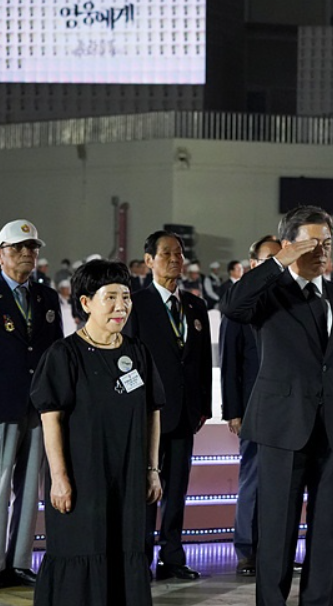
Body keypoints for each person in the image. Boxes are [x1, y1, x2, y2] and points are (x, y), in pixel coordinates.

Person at [220, 205, 333, 606]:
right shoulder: (269, 292)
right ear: (289, 246)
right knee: (276, 532)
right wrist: (278, 262)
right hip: (281, 428)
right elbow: (233, 305)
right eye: (311, 243)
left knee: (327, 535)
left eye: (327, 243)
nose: (322, 250)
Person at [30, 260, 165, 606]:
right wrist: (58, 479)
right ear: (86, 302)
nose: (121, 306)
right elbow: (50, 420)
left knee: (125, 551)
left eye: (126, 297)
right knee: (82, 550)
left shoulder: (138, 353)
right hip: (82, 479)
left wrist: (151, 470)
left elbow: (153, 412)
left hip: (128, 478)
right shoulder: (64, 355)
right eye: (111, 298)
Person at [124, 230, 212, 580]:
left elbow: (202, 360)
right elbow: (128, 359)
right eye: (166, 254)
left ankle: (172, 556)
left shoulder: (195, 305)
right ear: (148, 261)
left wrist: (203, 404)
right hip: (149, 414)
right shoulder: (137, 304)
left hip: (185, 413)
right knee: (146, 489)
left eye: (178, 253)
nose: (175, 259)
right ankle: (140, 558)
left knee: (178, 490)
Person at [0, 219, 63, 587]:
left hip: (38, 407)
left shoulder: (47, 297)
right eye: (18, 248)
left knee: (30, 487)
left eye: (32, 248)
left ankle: (19, 561)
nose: (27, 254)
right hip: (2, 404)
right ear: (2, 254)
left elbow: (56, 353)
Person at [219, 235, 282, 576]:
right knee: (253, 480)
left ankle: (275, 550)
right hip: (253, 409)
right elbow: (229, 361)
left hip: (287, 411)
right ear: (254, 264)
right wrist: (233, 411)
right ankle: (247, 550)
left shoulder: (291, 299)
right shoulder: (241, 301)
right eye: (269, 258)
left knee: (281, 485)